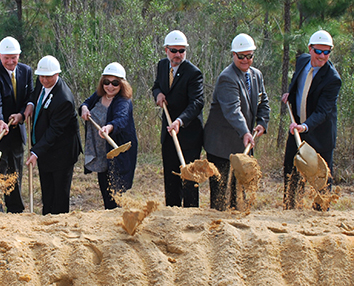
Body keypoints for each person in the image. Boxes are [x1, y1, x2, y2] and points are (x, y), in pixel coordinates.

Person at [204, 33, 270, 211]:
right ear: (233, 54)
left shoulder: (257, 75)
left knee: (239, 192)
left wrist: (263, 122)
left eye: (249, 56)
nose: (246, 60)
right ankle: (216, 226)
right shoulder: (227, 77)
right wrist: (245, 132)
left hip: (242, 144)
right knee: (219, 193)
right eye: (241, 56)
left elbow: (263, 102)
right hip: (220, 144)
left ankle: (236, 225)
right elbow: (233, 110)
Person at [281, 30, 341, 210]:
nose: (322, 57)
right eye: (318, 51)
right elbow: (299, 85)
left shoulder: (333, 79)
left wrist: (305, 126)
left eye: (327, 52)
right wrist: (289, 95)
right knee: (291, 172)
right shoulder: (302, 61)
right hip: (297, 127)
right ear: (310, 49)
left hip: (319, 133)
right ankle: (291, 209)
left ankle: (320, 215)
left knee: (321, 179)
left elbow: (323, 111)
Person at [150, 30, 205, 207]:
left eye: (182, 51)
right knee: (171, 175)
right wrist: (158, 94)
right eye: (174, 50)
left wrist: (180, 121)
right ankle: (172, 211)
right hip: (168, 133)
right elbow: (157, 86)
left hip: (188, 134)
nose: (178, 55)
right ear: (166, 50)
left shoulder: (193, 73)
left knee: (189, 178)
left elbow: (197, 103)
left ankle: (190, 215)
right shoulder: (162, 66)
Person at [0, 36, 34, 213]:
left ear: (19, 55)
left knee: (15, 172)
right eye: (6, 58)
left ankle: (15, 209)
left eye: (14, 57)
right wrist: (0, 121)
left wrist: (22, 114)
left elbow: (30, 97)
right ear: (0, 56)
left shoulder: (26, 71)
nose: (10, 62)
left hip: (16, 132)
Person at [25, 55, 82, 215]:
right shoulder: (41, 81)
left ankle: (60, 225)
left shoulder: (64, 100)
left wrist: (36, 152)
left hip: (61, 152)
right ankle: (46, 220)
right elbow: (35, 93)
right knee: (47, 191)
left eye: (48, 77)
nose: (44, 80)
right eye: (41, 76)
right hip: (45, 150)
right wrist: (30, 104)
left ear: (57, 74)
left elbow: (54, 132)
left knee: (59, 194)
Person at [80, 62, 138, 209]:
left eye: (115, 83)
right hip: (102, 153)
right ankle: (109, 218)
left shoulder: (123, 101)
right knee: (105, 190)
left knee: (117, 194)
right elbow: (85, 103)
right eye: (106, 82)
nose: (110, 86)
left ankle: (121, 222)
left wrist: (109, 127)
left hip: (118, 152)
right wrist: (85, 109)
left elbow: (122, 119)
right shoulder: (99, 95)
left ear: (122, 84)